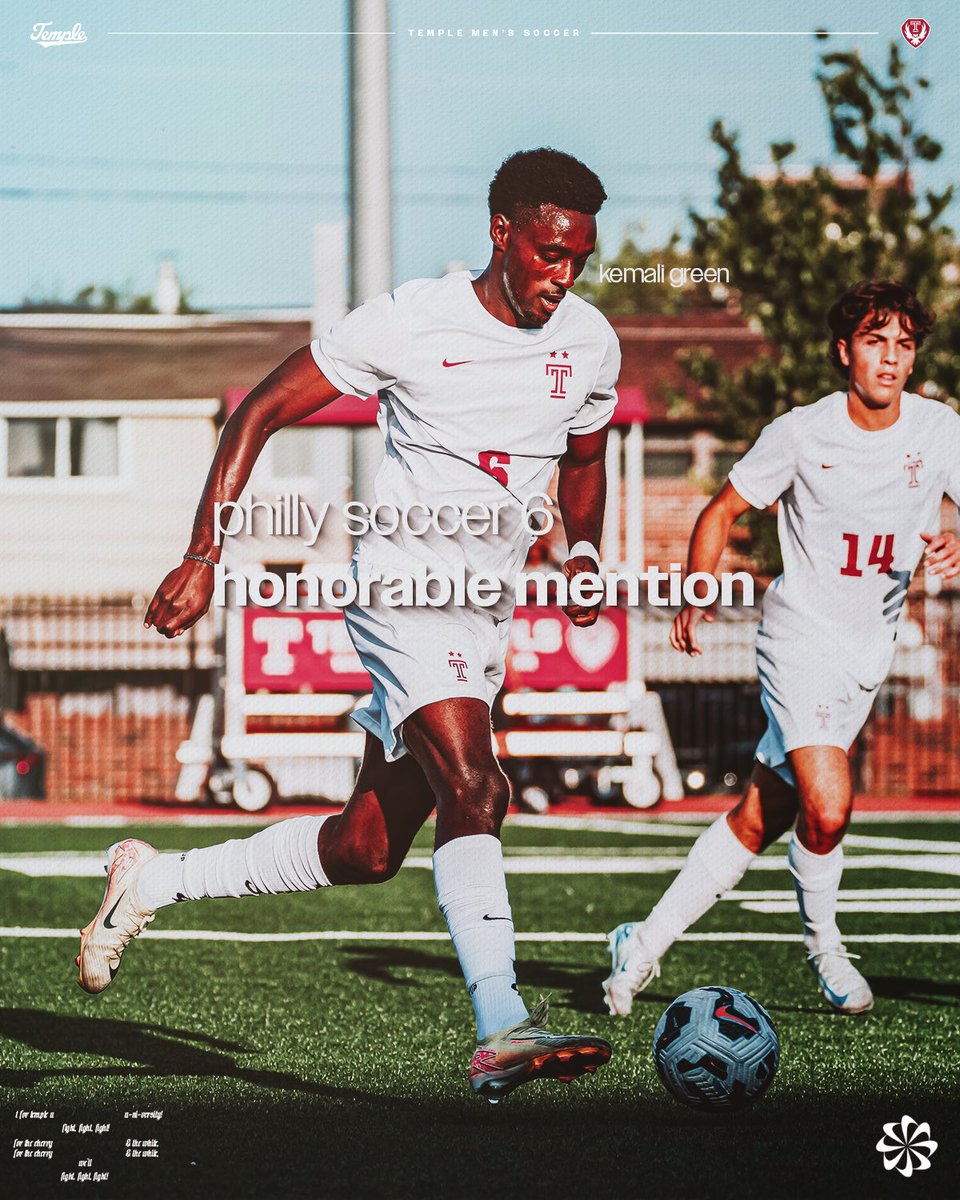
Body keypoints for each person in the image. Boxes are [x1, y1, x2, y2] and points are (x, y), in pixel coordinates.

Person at [77, 148, 620, 1101]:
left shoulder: (592, 342)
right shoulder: (413, 321)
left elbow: (583, 458)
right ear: (502, 233)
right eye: (547, 253)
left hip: (485, 609)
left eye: (576, 257)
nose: (561, 275)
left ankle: (152, 881)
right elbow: (257, 414)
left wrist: (582, 553)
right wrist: (204, 554)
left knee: (367, 850)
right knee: (477, 785)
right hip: (406, 584)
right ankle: (503, 1024)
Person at [604, 279, 960, 1017]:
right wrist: (698, 589)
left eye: (903, 344)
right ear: (844, 351)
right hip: (798, 638)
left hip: (870, 650)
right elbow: (723, 508)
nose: (890, 358)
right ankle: (826, 949)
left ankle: (642, 941)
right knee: (828, 808)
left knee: (761, 815)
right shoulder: (803, 432)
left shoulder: (941, 431)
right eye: (874, 341)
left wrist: (954, 537)